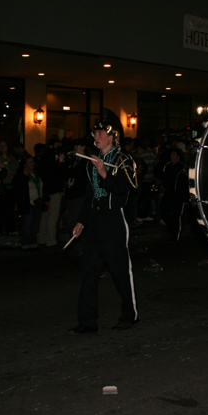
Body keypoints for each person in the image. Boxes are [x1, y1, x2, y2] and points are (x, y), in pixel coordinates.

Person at [68, 119, 139, 334]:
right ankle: (87, 321)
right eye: (95, 133)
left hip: (114, 220)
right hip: (95, 223)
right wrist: (82, 221)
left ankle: (130, 315)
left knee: (119, 271)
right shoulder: (93, 161)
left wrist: (104, 173)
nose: (95, 137)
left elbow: (124, 189)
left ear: (112, 136)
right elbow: (90, 197)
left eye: (100, 133)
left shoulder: (124, 159)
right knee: (89, 273)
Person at [13, 155, 43, 249]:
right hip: (28, 202)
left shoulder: (37, 174)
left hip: (38, 202)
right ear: (25, 164)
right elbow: (19, 188)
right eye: (29, 162)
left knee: (35, 223)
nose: (32, 164)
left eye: (32, 162)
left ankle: (33, 241)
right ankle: (25, 243)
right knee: (27, 224)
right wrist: (24, 176)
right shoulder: (21, 175)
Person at [159, 147, 188, 240]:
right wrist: (164, 187)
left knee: (176, 215)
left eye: (174, 155)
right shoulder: (168, 166)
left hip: (178, 196)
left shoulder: (182, 168)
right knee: (164, 212)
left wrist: (185, 198)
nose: (171, 157)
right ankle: (171, 228)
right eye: (171, 155)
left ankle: (175, 235)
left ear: (178, 157)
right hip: (169, 194)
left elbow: (185, 184)